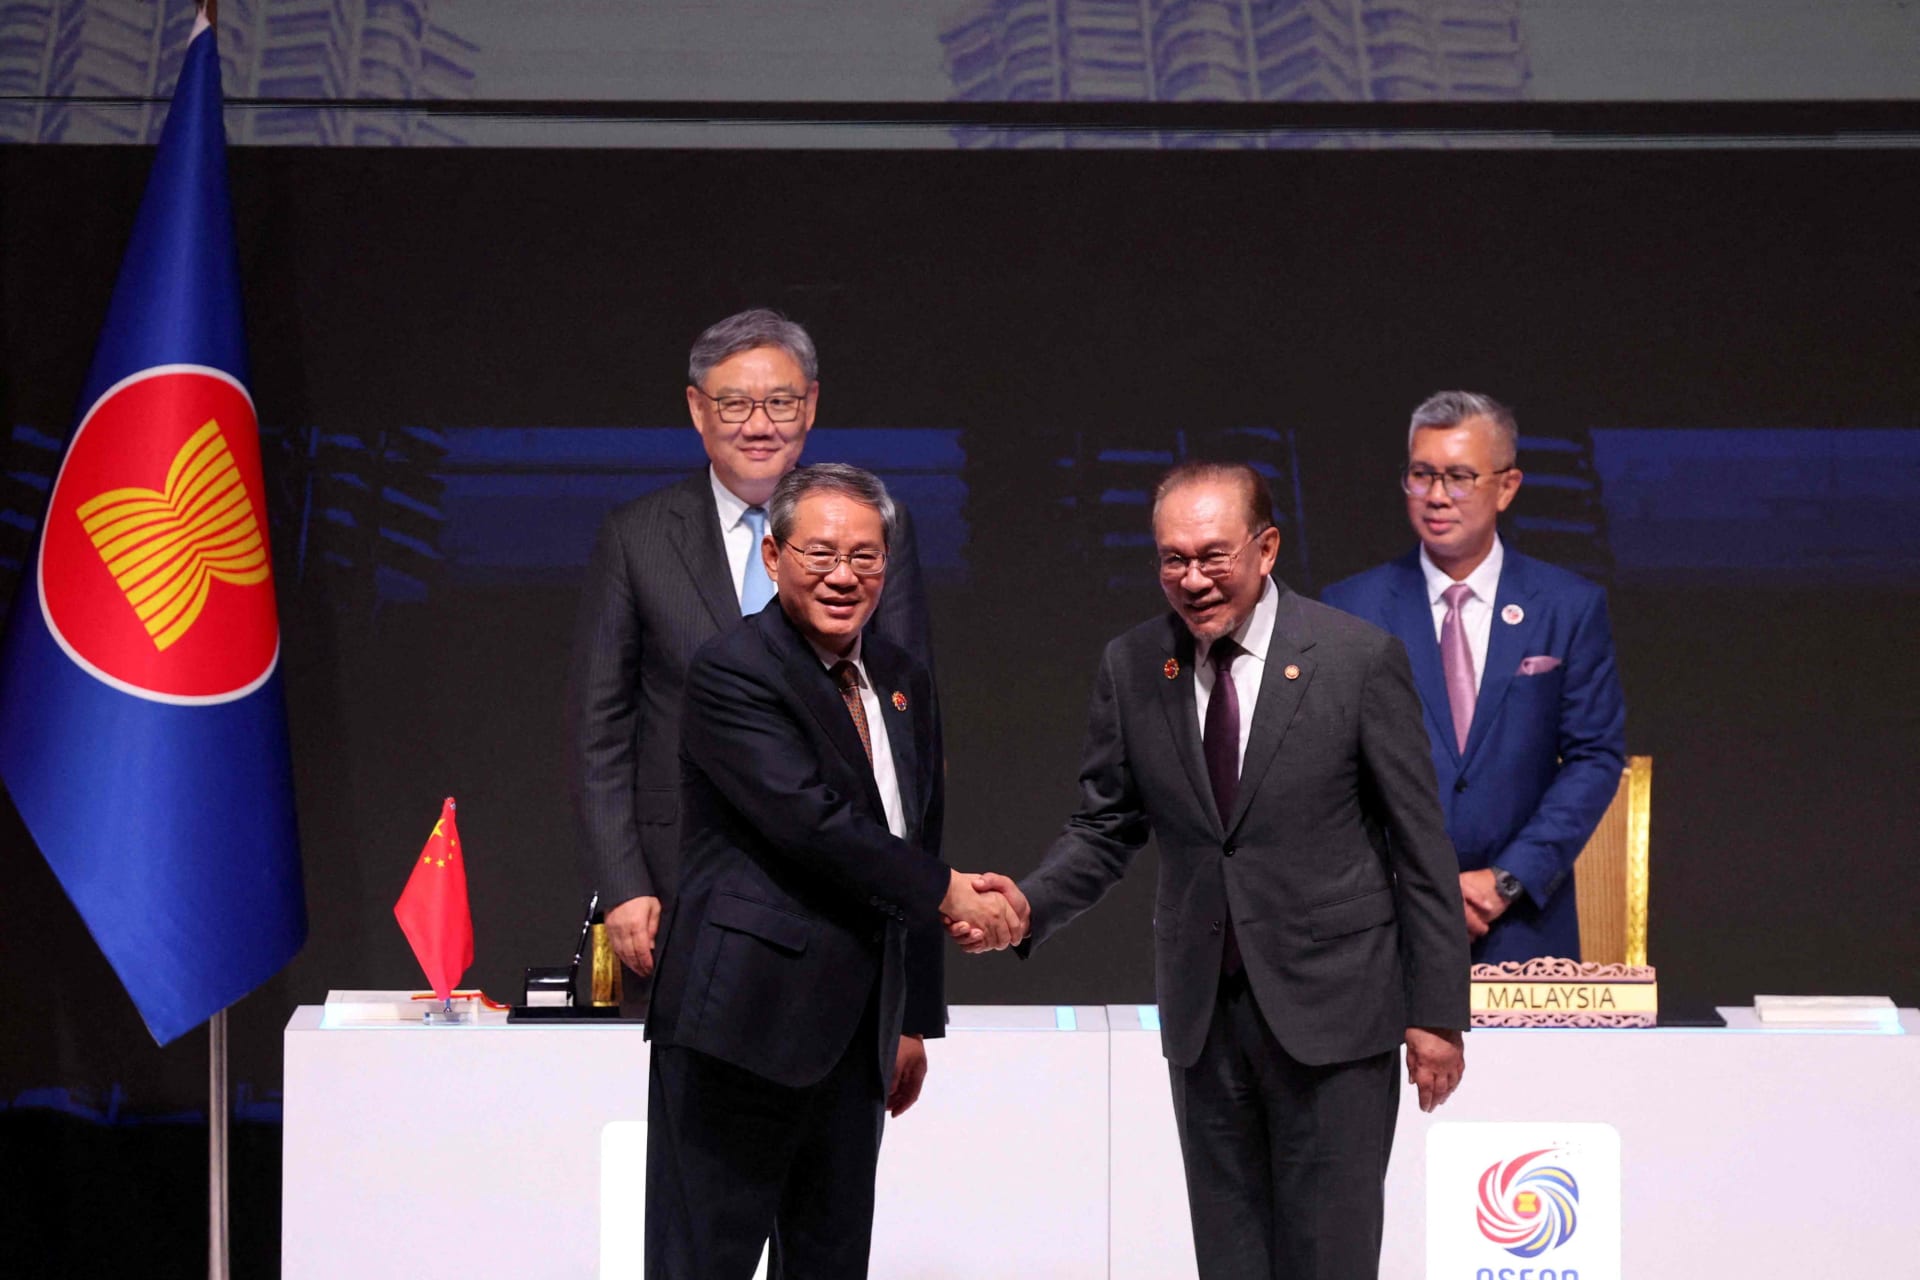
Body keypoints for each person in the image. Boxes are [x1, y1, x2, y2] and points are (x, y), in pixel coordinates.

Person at [962, 462, 1469, 1280]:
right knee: (1230, 1259)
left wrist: (1437, 1013)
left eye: (1212, 556)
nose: (1192, 579)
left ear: (1266, 549)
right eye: (1173, 559)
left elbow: (1421, 847)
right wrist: (1026, 903)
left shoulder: (1355, 659)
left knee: (1328, 1259)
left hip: (1336, 1015)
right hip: (1205, 1020)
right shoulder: (1134, 665)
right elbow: (1105, 826)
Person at [644, 463, 1016, 1279]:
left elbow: (917, 834)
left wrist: (914, 1016)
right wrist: (951, 893)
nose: (843, 575)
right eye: (819, 553)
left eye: (865, 556)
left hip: (857, 1037)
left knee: (832, 1263)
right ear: (773, 557)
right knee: (701, 1263)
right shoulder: (732, 669)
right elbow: (812, 824)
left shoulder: (902, 678)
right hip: (740, 1027)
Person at [565, 309, 933, 1014]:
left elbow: (907, 721)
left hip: (845, 880)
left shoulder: (873, 528)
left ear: (811, 405)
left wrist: (910, 890)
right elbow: (599, 731)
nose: (759, 425)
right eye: (735, 404)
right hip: (679, 887)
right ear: (697, 408)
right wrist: (623, 884)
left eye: (781, 402)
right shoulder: (637, 537)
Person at [1322, 392, 1626, 963]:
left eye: (1459, 477)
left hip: (1522, 923)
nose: (1437, 496)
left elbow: (1595, 757)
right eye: (1422, 475)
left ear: (1507, 487)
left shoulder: (1567, 607)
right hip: (1385, 923)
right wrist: (1412, 887)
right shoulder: (1349, 608)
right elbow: (1328, 771)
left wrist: (1507, 879)